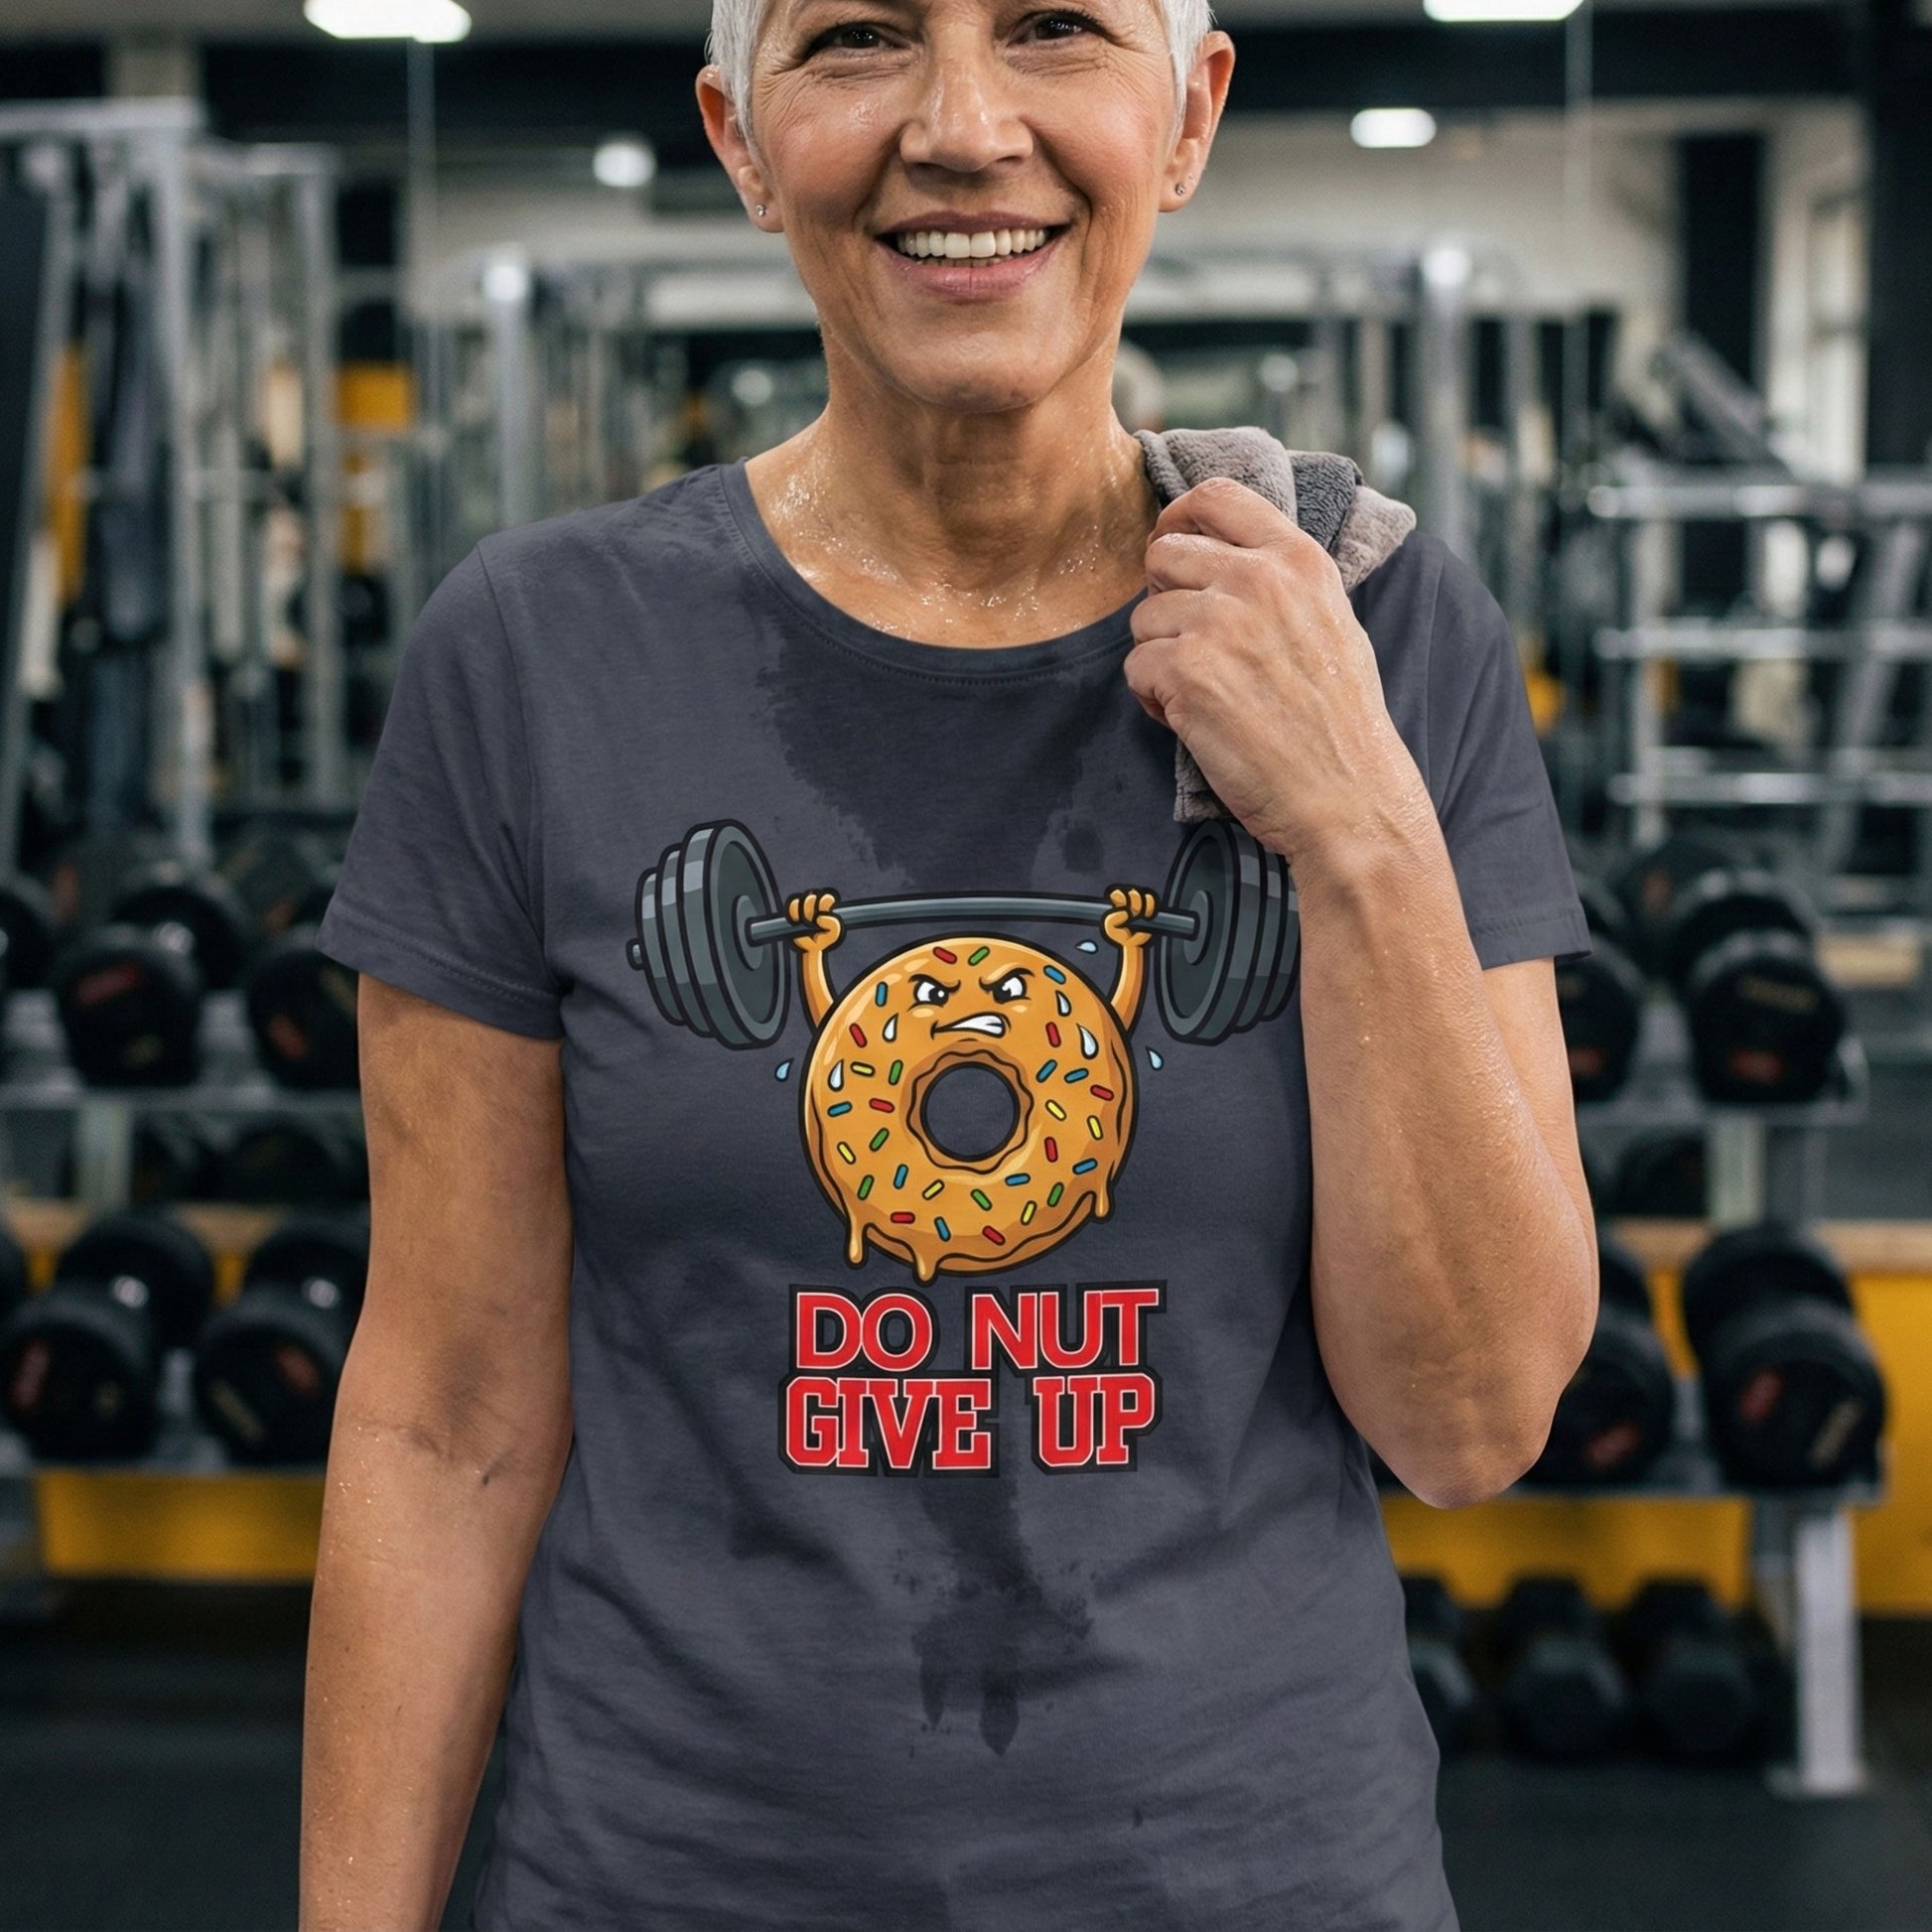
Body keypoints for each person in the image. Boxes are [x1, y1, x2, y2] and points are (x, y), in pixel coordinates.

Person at [299, 0, 1597, 1923]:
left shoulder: (1379, 633)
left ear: (1187, 116)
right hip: (667, 1879)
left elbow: (1472, 1421)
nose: (963, 126)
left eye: (1057, 29)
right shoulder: (535, 657)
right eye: (857, 41)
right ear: (740, 137)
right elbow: (444, 1424)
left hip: (1247, 1880)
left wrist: (1359, 824)